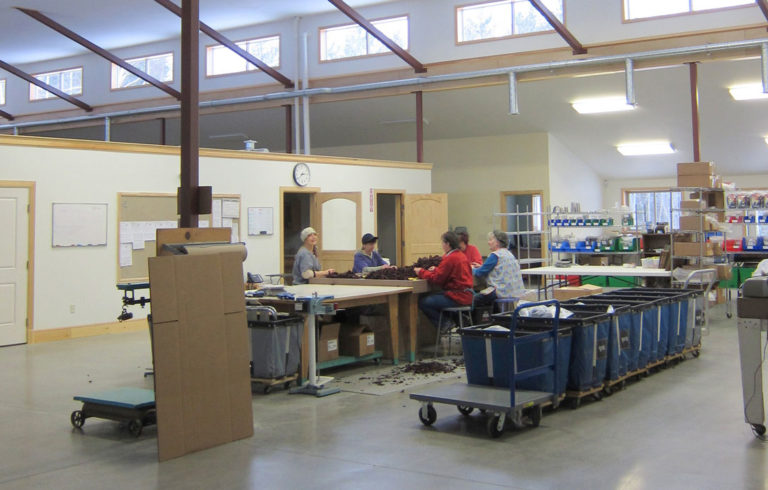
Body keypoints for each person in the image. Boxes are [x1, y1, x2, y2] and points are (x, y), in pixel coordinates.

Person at [414, 231, 474, 329]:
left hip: (457, 297)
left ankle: (445, 323)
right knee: (436, 296)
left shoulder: (450, 258)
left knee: (423, 302)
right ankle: (458, 319)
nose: (442, 245)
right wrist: (437, 270)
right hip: (466, 295)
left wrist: (421, 272)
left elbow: (437, 279)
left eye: (443, 243)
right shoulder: (461, 255)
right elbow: (450, 273)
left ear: (448, 244)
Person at [472, 230, 525, 307]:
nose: (488, 242)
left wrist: (471, 268)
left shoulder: (495, 255)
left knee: (473, 299)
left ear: (497, 242)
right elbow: (497, 268)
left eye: (490, 240)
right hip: (515, 291)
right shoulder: (509, 254)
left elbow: (480, 272)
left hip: (501, 291)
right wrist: (481, 267)